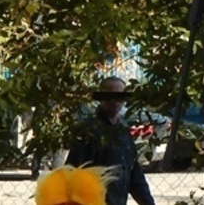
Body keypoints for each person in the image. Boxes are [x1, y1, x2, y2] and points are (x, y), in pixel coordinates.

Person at [66, 77, 155, 205]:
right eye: (109, 95)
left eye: (119, 96)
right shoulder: (88, 131)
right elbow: (74, 171)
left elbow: (135, 175)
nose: (115, 101)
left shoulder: (123, 131)